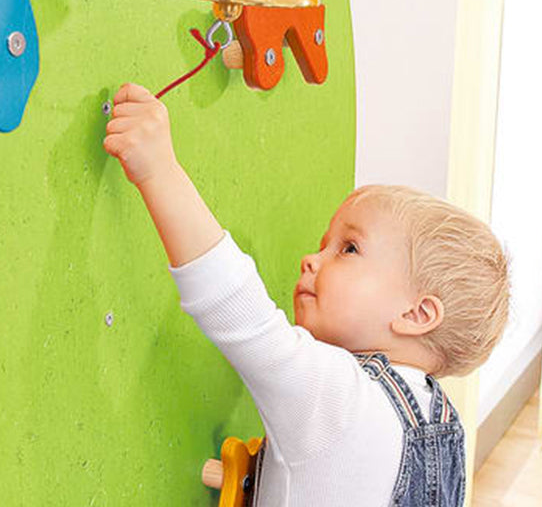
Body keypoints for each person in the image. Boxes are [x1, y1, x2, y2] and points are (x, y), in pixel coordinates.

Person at [103, 83, 511, 507]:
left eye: (349, 248)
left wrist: (159, 170)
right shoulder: (443, 426)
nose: (311, 260)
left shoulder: (342, 399)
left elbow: (235, 306)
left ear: (417, 313)